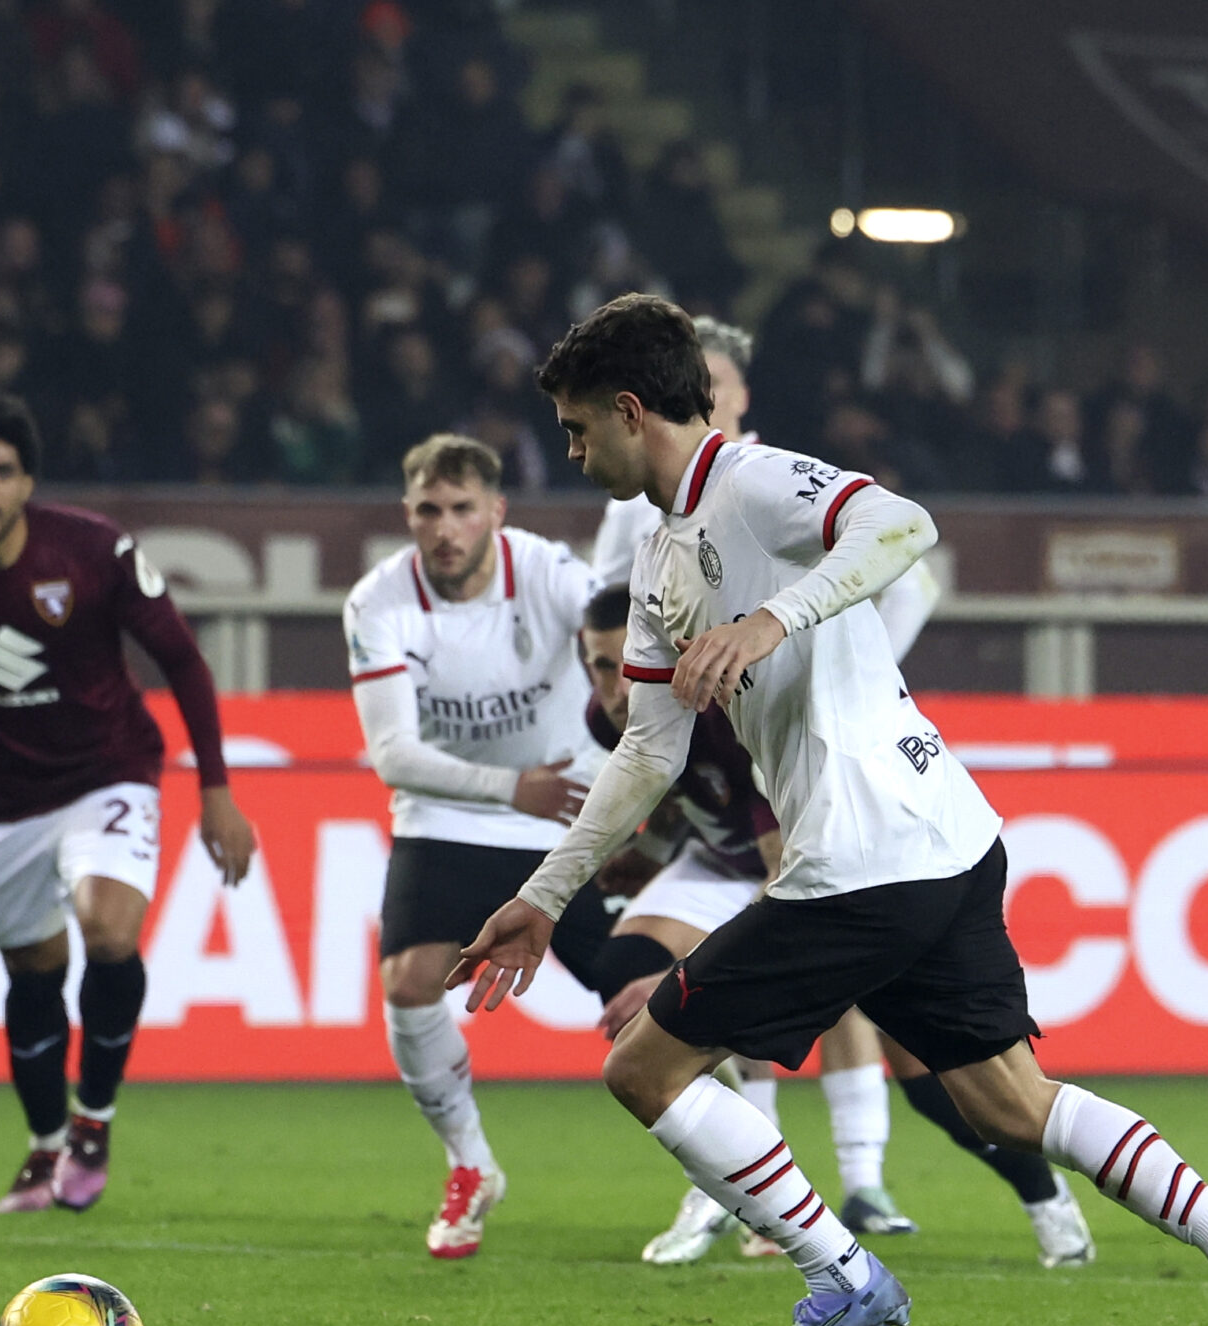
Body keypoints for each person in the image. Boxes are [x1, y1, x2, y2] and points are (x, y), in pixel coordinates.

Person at [454, 295, 1208, 1326]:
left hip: (862, 858)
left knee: (643, 1068)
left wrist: (774, 620)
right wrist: (542, 896)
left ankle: (843, 1276)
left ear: (630, 411)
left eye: (578, 430)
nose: (572, 453)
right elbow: (650, 751)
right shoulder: (665, 557)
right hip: (940, 839)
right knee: (1011, 1103)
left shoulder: (750, 481)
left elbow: (903, 525)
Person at [573, 585, 1099, 1269]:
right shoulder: (608, 719)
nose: (615, 686)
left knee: (941, 1079)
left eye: (626, 664)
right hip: (724, 868)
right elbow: (683, 795)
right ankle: (726, 1181)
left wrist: (685, 973)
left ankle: (1042, 1196)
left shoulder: (729, 715)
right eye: (599, 666)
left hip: (824, 875)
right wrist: (648, 853)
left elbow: (783, 871)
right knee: (631, 972)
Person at [588, 315, 962, 1254]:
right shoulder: (640, 523)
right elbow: (618, 634)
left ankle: (855, 1190)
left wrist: (798, 649)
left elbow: (909, 555)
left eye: (716, 385)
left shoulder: (765, 479)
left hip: (806, 773)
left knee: (969, 1079)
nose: (701, 401)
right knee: (644, 990)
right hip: (712, 771)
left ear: (733, 396)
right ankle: (750, 1194)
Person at [0, 390, 256, 1215]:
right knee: (34, 975)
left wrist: (216, 787)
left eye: (2, 471)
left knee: (109, 931)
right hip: (0, 802)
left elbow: (183, 660)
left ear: (28, 482)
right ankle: (44, 1144)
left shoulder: (94, 550)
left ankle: (93, 1120)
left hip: (110, 771)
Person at [345, 432, 611, 1259]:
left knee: (649, 988)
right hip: (450, 814)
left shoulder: (552, 575)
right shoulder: (378, 602)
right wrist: (509, 786)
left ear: (496, 511)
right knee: (408, 981)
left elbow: (628, 643)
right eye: (428, 509)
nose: (444, 528)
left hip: (566, 811)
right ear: (408, 513)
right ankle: (470, 1162)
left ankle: (735, 1179)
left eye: (462, 509)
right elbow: (393, 754)